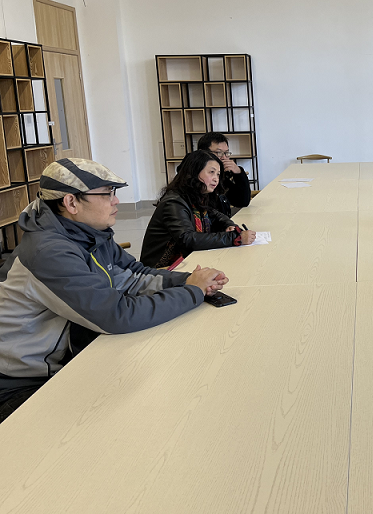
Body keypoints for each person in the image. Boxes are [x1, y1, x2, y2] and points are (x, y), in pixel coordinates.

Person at [0, 158, 229, 423]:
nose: (116, 201)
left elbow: (134, 275)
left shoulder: (90, 233)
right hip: (21, 382)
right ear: (71, 203)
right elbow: (116, 315)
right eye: (107, 194)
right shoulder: (48, 252)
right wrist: (193, 292)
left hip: (68, 357)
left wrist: (189, 280)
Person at [141, 150, 256, 268]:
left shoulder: (197, 196)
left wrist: (229, 226)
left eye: (218, 174)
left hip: (185, 260)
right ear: (194, 172)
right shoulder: (173, 202)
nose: (216, 179)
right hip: (162, 269)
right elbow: (188, 239)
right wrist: (234, 238)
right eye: (211, 172)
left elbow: (215, 215)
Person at [197, 132, 252, 217]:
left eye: (226, 153)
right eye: (219, 153)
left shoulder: (222, 175)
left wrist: (238, 173)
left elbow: (242, 201)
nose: (224, 157)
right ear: (202, 153)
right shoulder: (195, 178)